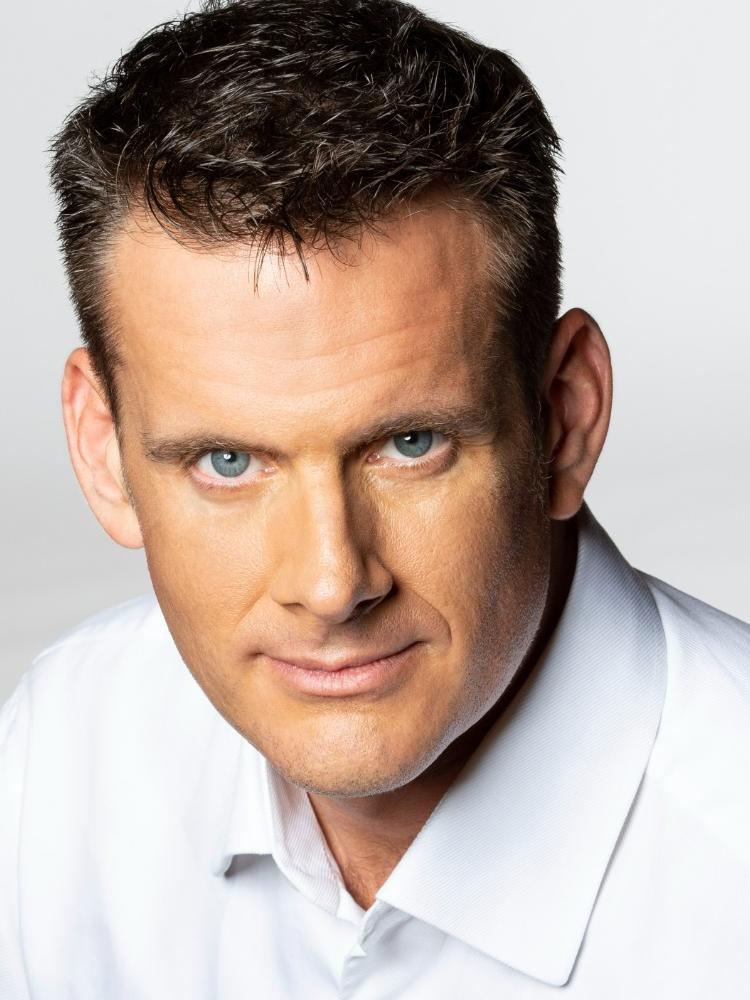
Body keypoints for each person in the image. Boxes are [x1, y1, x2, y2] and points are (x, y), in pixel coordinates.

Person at [1, 0, 748, 996]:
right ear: (103, 450)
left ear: (565, 416)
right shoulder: (63, 755)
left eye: (410, 444)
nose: (331, 582)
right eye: (226, 461)